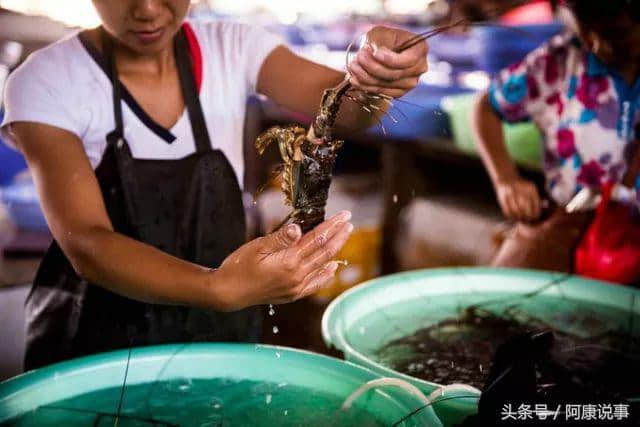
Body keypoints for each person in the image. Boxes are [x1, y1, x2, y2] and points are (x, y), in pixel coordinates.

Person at [0, 0, 428, 370]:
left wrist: (376, 78)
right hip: (96, 335)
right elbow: (88, 244)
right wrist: (219, 286)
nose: (148, 9)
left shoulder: (232, 46)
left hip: (219, 325)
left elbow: (350, 112)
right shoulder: (43, 81)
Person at [472, 0, 640, 271]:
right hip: (568, 229)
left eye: (615, 34)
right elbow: (485, 107)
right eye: (586, 31)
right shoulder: (560, 61)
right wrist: (506, 179)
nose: (595, 45)